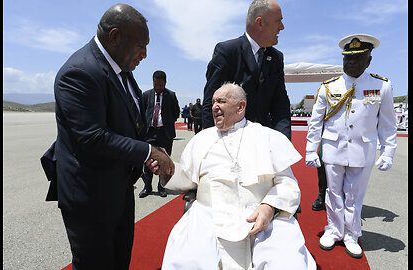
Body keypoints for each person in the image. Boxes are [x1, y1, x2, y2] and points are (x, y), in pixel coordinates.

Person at [51, 4, 174, 269]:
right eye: (141, 45)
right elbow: (93, 136)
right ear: (115, 37)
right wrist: (146, 152)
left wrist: (149, 148)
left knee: (120, 261)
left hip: (118, 190)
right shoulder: (80, 72)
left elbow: (130, 124)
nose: (145, 54)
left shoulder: (124, 73)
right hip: (90, 198)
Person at [160, 83, 316, 270]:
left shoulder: (267, 137)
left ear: (240, 107)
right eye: (213, 102)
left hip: (262, 218)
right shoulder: (201, 139)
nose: (214, 106)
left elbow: (287, 184)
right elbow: (187, 179)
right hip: (208, 216)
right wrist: (167, 168)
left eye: (221, 101)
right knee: (188, 261)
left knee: (287, 263)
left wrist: (270, 207)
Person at [305, 34, 397, 259]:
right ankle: (334, 230)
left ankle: (352, 234)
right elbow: (316, 121)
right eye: (348, 59)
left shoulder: (381, 86)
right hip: (333, 149)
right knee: (333, 192)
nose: (351, 63)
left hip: (362, 150)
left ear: (369, 60)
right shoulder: (329, 86)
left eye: (358, 58)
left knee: (355, 195)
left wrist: (388, 151)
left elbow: (388, 123)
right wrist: (310, 149)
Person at [202, 0, 292, 140]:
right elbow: (210, 103)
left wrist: (283, 143)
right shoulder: (227, 52)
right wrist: (213, 143)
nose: (282, 27)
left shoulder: (276, 58)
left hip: (262, 142)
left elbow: (280, 104)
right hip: (230, 141)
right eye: (278, 21)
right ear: (260, 22)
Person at [139, 70, 180, 198]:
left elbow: (176, 112)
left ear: (165, 83)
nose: (158, 88)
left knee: (164, 161)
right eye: (156, 85)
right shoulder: (146, 95)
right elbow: (141, 112)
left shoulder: (171, 95)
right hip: (149, 133)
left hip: (165, 133)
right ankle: (147, 186)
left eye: (160, 85)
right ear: (153, 82)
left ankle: (161, 187)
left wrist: (166, 122)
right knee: (148, 160)